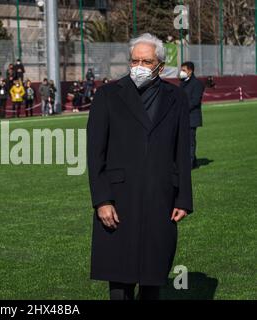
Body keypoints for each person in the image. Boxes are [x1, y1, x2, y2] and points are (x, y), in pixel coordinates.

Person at [87, 33, 193, 300]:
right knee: (120, 281)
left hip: (161, 197)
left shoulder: (176, 98)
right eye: (134, 61)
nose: (139, 67)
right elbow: (94, 154)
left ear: (159, 64)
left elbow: (182, 150)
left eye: (146, 61)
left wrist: (183, 198)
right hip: (119, 199)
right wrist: (102, 200)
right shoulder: (108, 95)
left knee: (152, 276)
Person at [179, 61, 205, 169]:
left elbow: (195, 101)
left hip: (191, 118)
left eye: (183, 70)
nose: (181, 72)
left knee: (190, 141)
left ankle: (189, 164)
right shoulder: (182, 83)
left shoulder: (197, 84)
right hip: (182, 117)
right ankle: (192, 161)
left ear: (190, 71)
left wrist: (182, 108)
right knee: (183, 141)